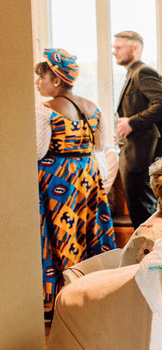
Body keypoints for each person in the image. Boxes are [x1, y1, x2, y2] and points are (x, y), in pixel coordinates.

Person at [34, 49, 116, 316]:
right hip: (87, 175)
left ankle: (58, 296)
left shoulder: (45, 111)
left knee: (60, 234)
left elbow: (36, 150)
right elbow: (101, 146)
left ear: (56, 80)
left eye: (41, 77)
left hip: (57, 178)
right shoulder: (93, 108)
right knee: (86, 230)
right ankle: (90, 289)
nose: (37, 82)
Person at [113, 30, 162, 229]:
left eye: (119, 48)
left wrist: (131, 123)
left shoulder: (143, 72)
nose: (115, 52)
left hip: (144, 160)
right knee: (140, 218)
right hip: (137, 156)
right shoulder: (131, 75)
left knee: (145, 220)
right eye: (114, 48)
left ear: (135, 48)